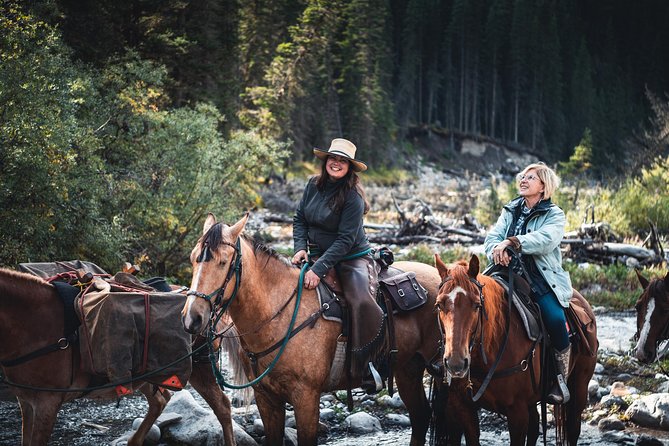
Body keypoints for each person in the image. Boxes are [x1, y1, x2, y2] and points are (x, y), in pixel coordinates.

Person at [292, 138, 384, 391]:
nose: (336, 163)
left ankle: (366, 364)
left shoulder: (353, 197)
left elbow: (345, 240)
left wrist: (318, 269)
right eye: (333, 158)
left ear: (349, 167)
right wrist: (300, 247)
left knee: (361, 300)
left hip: (351, 257)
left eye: (343, 160)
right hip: (315, 254)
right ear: (326, 161)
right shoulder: (313, 185)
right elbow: (300, 217)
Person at [484, 162, 573, 404]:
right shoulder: (510, 210)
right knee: (470, 302)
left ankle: (559, 379)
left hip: (538, 277)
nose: (523, 180)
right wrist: (495, 249)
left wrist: (512, 242)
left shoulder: (554, 214)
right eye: (523, 176)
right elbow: (493, 236)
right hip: (503, 271)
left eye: (531, 177)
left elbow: (546, 239)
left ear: (543, 186)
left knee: (555, 318)